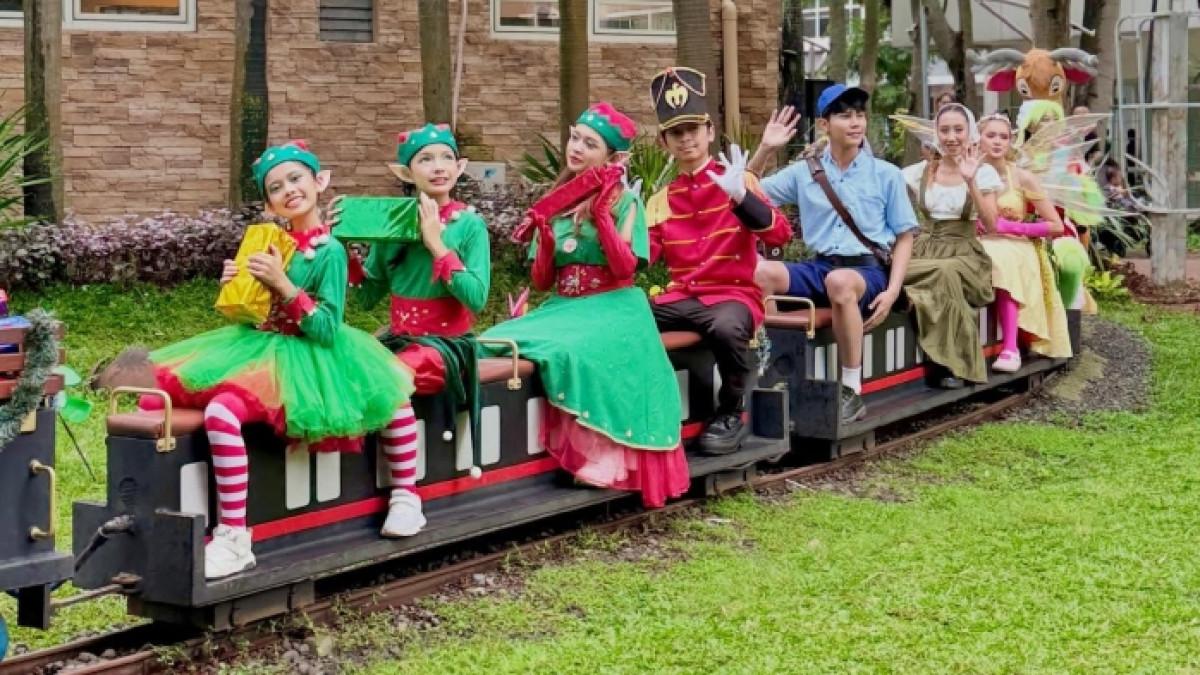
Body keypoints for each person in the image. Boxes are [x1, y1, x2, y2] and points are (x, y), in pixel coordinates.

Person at [147, 141, 415, 578]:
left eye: (296, 179)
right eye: (276, 187)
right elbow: (250, 316)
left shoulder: (329, 251)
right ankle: (233, 534)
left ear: (320, 181)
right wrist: (238, 287)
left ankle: (406, 494)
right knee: (216, 411)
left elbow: (327, 327)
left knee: (389, 397)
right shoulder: (268, 242)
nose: (288, 190)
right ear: (268, 201)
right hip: (261, 351)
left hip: (315, 357)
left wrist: (284, 286)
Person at [481, 102, 689, 508]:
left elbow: (627, 267)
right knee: (492, 339)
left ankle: (602, 457)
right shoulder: (555, 202)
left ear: (614, 157)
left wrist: (602, 219)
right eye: (574, 136)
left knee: (569, 351)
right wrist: (544, 239)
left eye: (589, 143)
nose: (575, 147)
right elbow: (542, 282)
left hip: (614, 305)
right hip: (565, 306)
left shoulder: (626, 203)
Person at [340, 123, 491, 537]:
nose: (437, 167)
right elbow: (369, 297)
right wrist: (347, 251)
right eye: (425, 159)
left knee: (389, 379)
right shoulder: (393, 223)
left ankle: (407, 496)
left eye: (445, 158)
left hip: (446, 346)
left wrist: (437, 245)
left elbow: (477, 297)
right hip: (396, 337)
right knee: (340, 366)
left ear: (460, 167)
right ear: (406, 173)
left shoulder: (469, 225)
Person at [643, 67, 793, 453]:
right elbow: (638, 263)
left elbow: (779, 236)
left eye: (693, 128)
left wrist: (741, 197)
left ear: (710, 131)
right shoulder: (660, 200)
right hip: (680, 298)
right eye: (677, 132)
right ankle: (642, 412)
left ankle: (731, 411)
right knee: (627, 316)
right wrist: (620, 217)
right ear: (665, 141)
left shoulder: (738, 181)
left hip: (732, 295)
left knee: (727, 327)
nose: (687, 138)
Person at [750, 85, 918, 422]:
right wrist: (765, 149)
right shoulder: (804, 173)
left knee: (840, 283)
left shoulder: (886, 174)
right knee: (760, 273)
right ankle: (770, 371)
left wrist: (893, 290)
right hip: (820, 267)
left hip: (867, 271)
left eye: (859, 115)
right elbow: (748, 193)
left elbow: (905, 236)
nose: (855, 123)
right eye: (844, 115)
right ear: (825, 125)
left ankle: (852, 389)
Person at [900, 104, 999, 387]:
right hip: (926, 246)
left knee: (945, 273)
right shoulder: (916, 173)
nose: (951, 137)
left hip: (965, 252)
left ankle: (955, 364)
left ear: (970, 134)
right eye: (945, 130)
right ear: (936, 133)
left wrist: (971, 181)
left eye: (958, 130)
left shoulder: (983, 173)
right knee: (898, 270)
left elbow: (992, 225)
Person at [976, 113, 1072, 372]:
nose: (997, 142)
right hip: (977, 240)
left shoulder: (1022, 177)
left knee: (1002, 258)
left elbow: (1055, 225)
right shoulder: (967, 172)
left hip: (1014, 244)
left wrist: (1014, 227)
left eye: (1003, 137)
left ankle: (1010, 347)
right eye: (991, 135)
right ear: (979, 138)